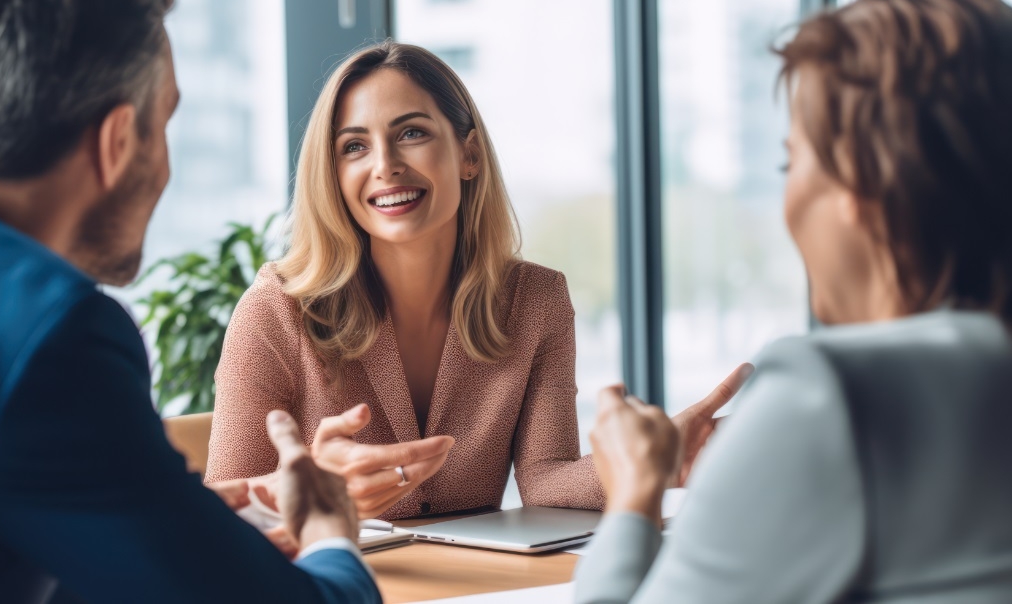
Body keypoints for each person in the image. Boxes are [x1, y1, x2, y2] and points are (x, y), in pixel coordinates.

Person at [0, 0, 379, 602]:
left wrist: (147, 524)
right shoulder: (46, 335)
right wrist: (331, 529)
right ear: (116, 143)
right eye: (164, 123)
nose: (166, 166)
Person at [575, 0, 1012, 602]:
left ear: (860, 183)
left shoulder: (833, 395)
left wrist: (633, 493)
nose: (786, 201)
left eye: (791, 161)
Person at [205, 41, 751, 520]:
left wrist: (649, 463)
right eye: (354, 146)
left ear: (467, 154)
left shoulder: (536, 300)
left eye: (411, 133)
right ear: (333, 173)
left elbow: (544, 480)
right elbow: (217, 508)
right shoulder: (278, 307)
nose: (385, 165)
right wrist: (312, 486)